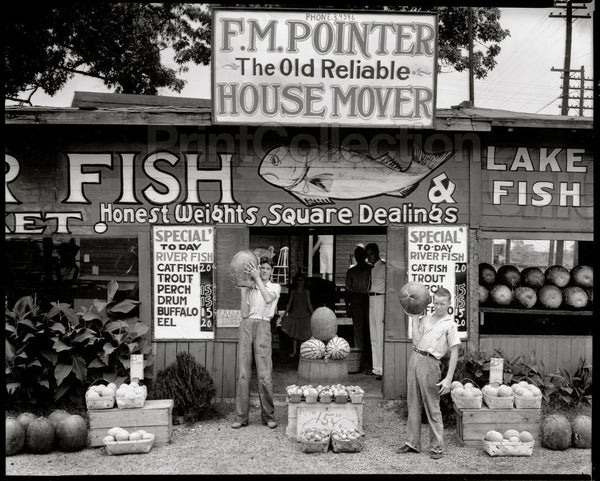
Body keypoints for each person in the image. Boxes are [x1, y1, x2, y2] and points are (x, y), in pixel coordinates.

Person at [397, 287, 461, 460]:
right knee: (413, 403)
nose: (439, 307)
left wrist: (448, 379)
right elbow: (416, 341)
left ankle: (437, 447)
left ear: (449, 304)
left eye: (443, 304)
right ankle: (412, 443)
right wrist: (415, 317)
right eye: (436, 303)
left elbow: (454, 352)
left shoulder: (450, 324)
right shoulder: (425, 319)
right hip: (415, 358)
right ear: (432, 302)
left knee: (432, 406)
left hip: (431, 363)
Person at [232, 258, 281, 430]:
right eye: (262, 268)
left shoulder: (274, 287)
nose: (265, 270)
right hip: (247, 324)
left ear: (272, 271)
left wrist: (256, 279)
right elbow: (244, 312)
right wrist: (245, 289)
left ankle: (268, 416)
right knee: (244, 373)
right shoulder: (251, 287)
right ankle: (241, 417)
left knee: (264, 374)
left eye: (268, 268)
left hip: (263, 325)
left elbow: (268, 299)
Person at [344, 246, 372, 371]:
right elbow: (347, 291)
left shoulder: (371, 269)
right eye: (357, 255)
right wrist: (347, 307)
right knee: (358, 330)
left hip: (369, 299)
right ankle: (358, 360)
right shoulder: (351, 271)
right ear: (355, 257)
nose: (359, 258)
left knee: (371, 329)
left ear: (365, 256)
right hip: (356, 299)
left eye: (361, 255)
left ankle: (371, 359)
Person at [281, 273, 314, 357]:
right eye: (298, 280)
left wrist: (313, 314)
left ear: (304, 281)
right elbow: (289, 303)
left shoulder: (306, 291)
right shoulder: (293, 291)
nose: (300, 282)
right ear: (296, 281)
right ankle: (295, 351)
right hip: (295, 314)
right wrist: (285, 314)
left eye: (302, 280)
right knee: (295, 334)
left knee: (303, 334)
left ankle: (301, 352)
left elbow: (309, 303)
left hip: (305, 314)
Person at [366, 242, 385, 380]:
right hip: (372, 299)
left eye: (371, 254)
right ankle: (376, 367)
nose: (369, 257)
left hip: (381, 299)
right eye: (367, 254)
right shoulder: (372, 269)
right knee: (373, 335)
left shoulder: (384, 267)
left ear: (377, 252)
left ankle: (383, 368)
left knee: (380, 334)